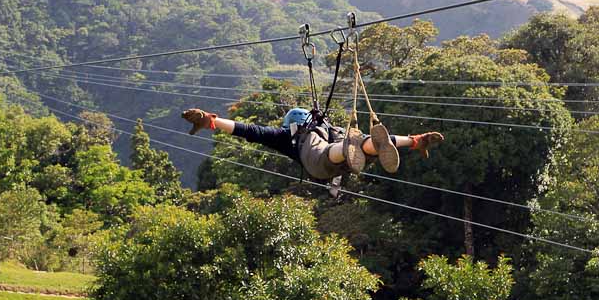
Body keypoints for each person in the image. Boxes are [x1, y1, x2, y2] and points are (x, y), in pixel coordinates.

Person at [182, 107, 443, 181]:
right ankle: (366, 147)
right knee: (353, 143)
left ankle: (364, 147)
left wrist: (211, 121)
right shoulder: (315, 131)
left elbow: (249, 130)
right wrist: (415, 140)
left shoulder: (298, 134)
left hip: (328, 165)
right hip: (334, 159)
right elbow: (249, 130)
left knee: (342, 144)